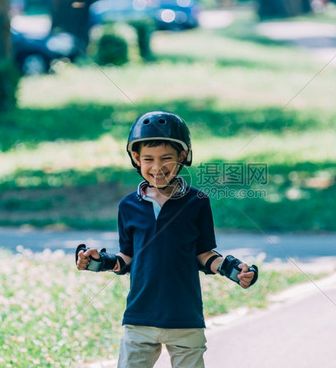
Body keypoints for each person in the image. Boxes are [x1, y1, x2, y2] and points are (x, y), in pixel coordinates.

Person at [76, 111, 258, 368]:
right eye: (148, 159)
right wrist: (99, 261)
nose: (157, 167)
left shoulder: (197, 202)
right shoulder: (128, 206)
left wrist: (233, 269)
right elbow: (127, 258)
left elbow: (204, 254)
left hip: (185, 317)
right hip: (140, 317)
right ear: (136, 159)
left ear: (182, 158)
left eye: (167, 159)